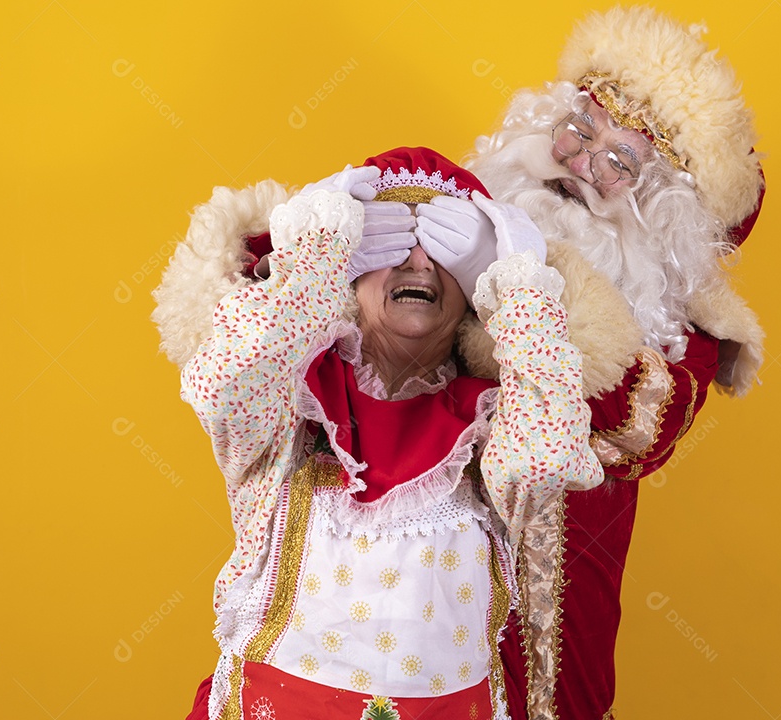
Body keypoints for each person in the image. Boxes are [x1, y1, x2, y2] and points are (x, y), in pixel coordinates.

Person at [156, 147, 603, 719]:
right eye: (395, 239)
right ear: (352, 261)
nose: (418, 262)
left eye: (443, 248)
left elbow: (543, 461)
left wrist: (517, 289)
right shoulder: (290, 400)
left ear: (473, 290)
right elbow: (225, 379)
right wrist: (315, 256)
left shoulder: (497, 419)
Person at [458, 7, 767, 719]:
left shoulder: (686, 338)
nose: (580, 167)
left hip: (545, 615)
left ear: (663, 215)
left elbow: (630, 431)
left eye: (621, 163)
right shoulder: (463, 211)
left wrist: (525, 285)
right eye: (581, 129)